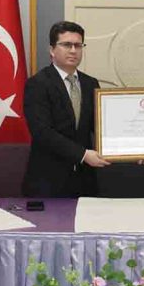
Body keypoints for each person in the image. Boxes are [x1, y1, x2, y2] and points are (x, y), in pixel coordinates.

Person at [22, 21, 109, 197]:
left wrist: (138, 149)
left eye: (78, 45)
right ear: (52, 50)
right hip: (49, 180)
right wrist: (83, 154)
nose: (73, 50)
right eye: (67, 45)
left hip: (85, 180)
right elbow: (42, 132)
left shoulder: (90, 83)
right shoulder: (37, 84)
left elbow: (101, 126)